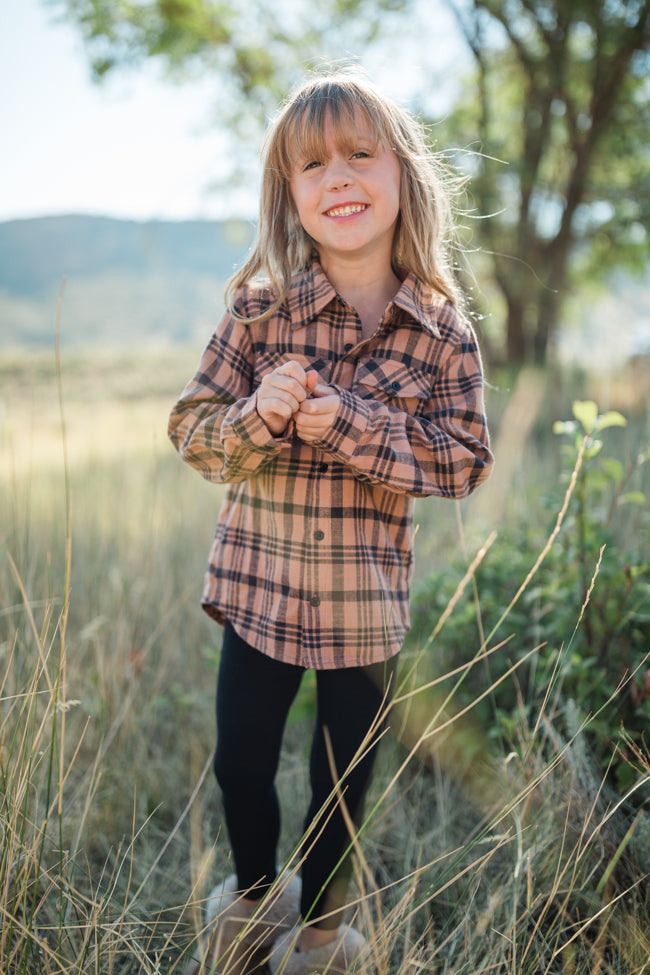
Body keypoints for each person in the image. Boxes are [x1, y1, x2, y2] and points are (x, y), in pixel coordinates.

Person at [169, 70, 494, 975]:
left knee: (341, 783)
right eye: (312, 163)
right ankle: (247, 909)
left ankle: (316, 940)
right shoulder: (260, 310)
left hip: (363, 609)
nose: (338, 176)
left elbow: (464, 459)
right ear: (291, 193)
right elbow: (192, 433)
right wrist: (257, 416)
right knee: (241, 763)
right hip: (258, 587)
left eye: (360, 153)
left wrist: (351, 424)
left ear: (403, 177)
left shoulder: (442, 333)